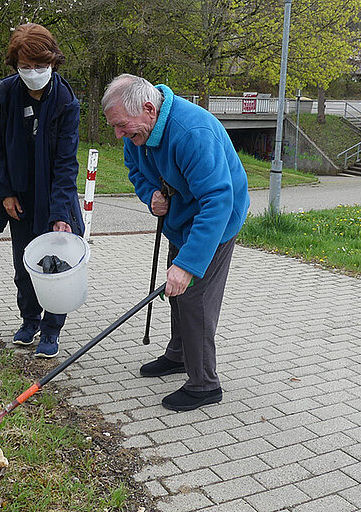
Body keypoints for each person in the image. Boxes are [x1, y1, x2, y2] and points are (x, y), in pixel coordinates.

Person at [101, 74, 250, 411]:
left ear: (149, 109)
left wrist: (187, 265)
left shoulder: (191, 133)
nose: (119, 134)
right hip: (182, 218)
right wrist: (150, 194)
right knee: (174, 293)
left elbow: (217, 201)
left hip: (217, 221)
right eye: (115, 127)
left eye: (122, 126)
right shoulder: (138, 132)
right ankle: (179, 356)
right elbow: (134, 169)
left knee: (194, 299)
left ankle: (204, 384)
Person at [0, 23, 83, 358]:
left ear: (53, 61)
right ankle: (29, 320)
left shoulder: (66, 102)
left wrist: (59, 214)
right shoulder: (6, 95)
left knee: (55, 266)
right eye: (26, 67)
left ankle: (52, 330)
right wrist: (6, 190)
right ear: (16, 65)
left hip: (55, 196)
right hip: (19, 196)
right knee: (24, 265)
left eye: (40, 66)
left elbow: (67, 162)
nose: (34, 73)